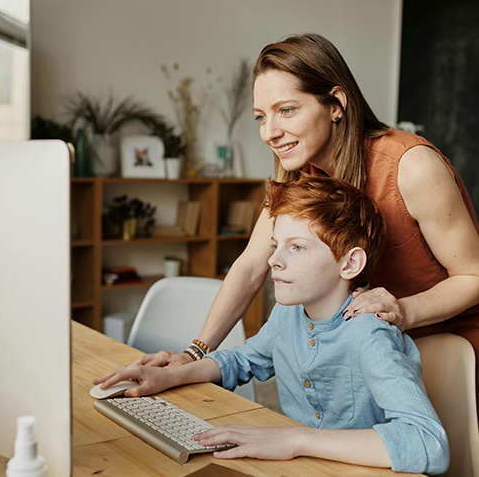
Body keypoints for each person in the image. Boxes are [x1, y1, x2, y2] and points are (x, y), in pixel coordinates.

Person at [138, 33, 479, 380]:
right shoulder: (295, 176)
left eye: (286, 110)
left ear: (335, 104)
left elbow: (473, 276)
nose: (270, 132)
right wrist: (194, 353)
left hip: (450, 349)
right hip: (373, 345)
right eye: (260, 117)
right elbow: (251, 266)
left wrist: (403, 311)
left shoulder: (412, 167)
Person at [94, 176, 449, 474]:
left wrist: (294, 439)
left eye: (297, 248)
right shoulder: (289, 313)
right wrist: (172, 374)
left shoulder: (368, 334)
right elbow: (244, 359)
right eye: (276, 244)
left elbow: (427, 442)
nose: (273, 260)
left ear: (350, 263)